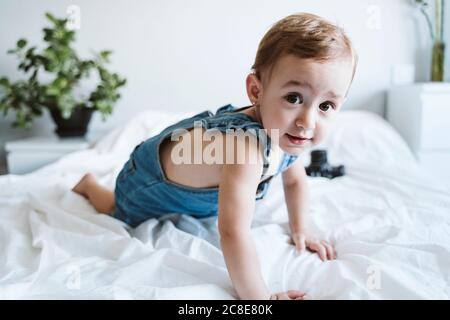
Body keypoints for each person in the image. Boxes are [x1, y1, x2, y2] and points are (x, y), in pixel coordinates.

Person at [72, 12, 358, 300]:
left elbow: (295, 181)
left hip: (194, 190)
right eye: (294, 98)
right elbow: (233, 233)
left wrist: (302, 227)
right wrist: (261, 300)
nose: (307, 121)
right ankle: (89, 184)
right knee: (117, 211)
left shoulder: (286, 132)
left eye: (326, 105)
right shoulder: (245, 149)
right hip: (147, 180)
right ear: (256, 91)